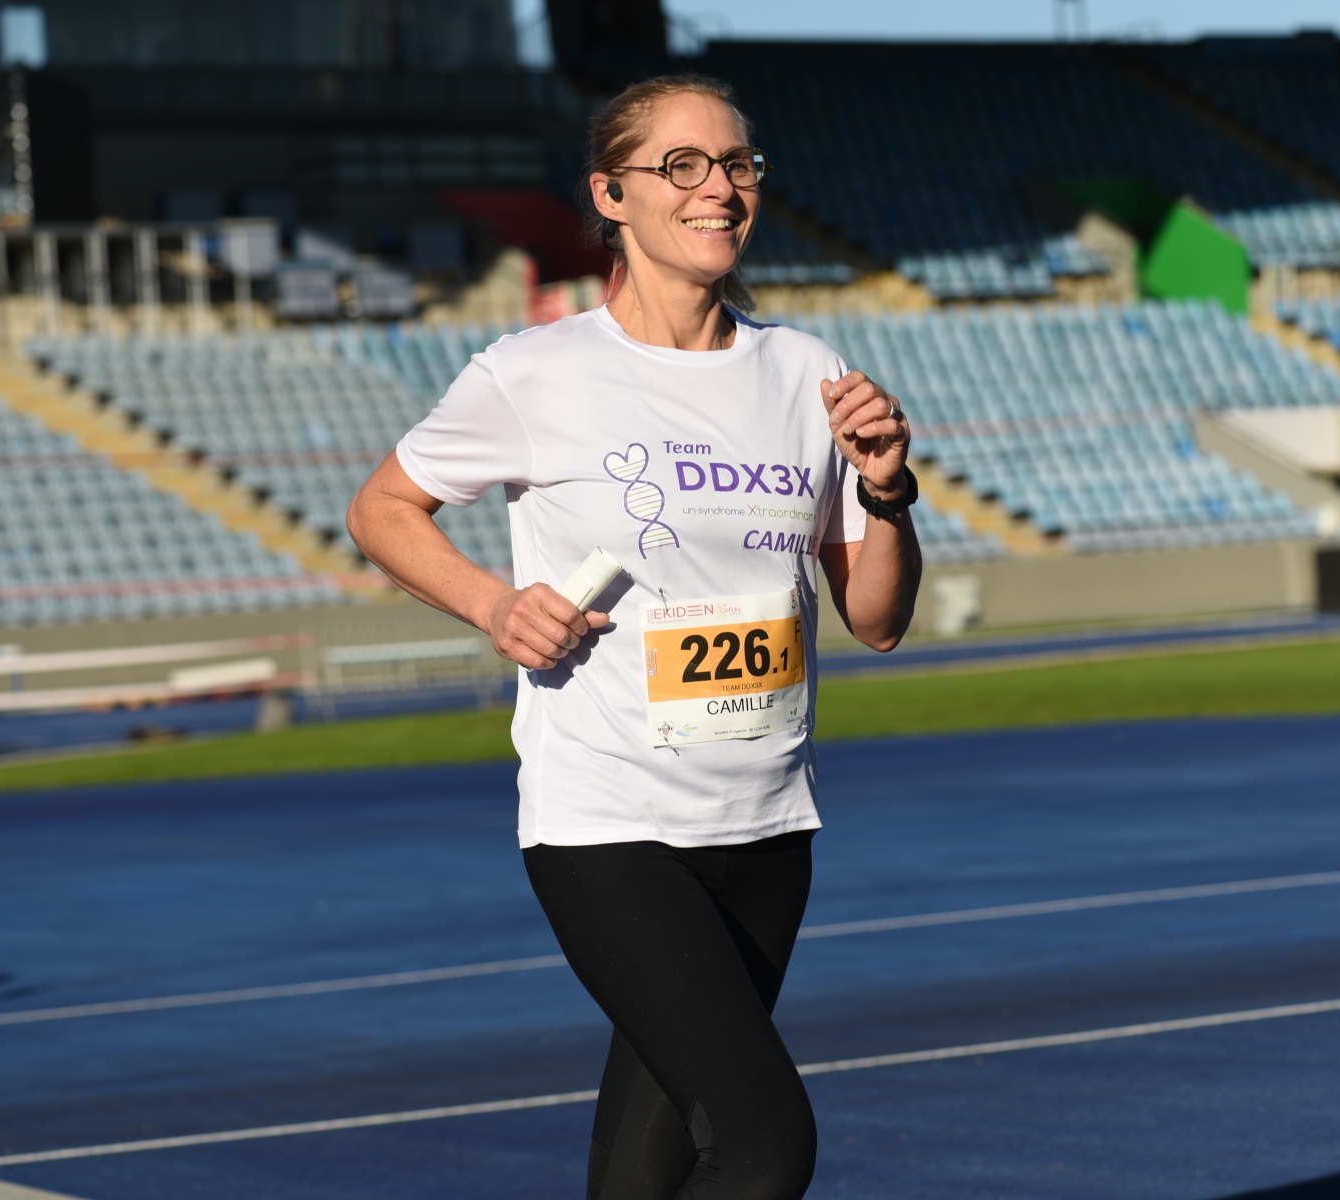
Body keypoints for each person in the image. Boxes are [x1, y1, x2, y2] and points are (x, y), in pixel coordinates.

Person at [347, 73, 921, 1200]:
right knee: (764, 1146)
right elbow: (381, 510)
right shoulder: (535, 372)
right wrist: (495, 605)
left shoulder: (807, 372)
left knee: (648, 1171)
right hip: (609, 824)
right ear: (611, 195)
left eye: (738, 164)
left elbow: (878, 619)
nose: (720, 189)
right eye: (683, 166)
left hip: (768, 823)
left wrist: (888, 492)